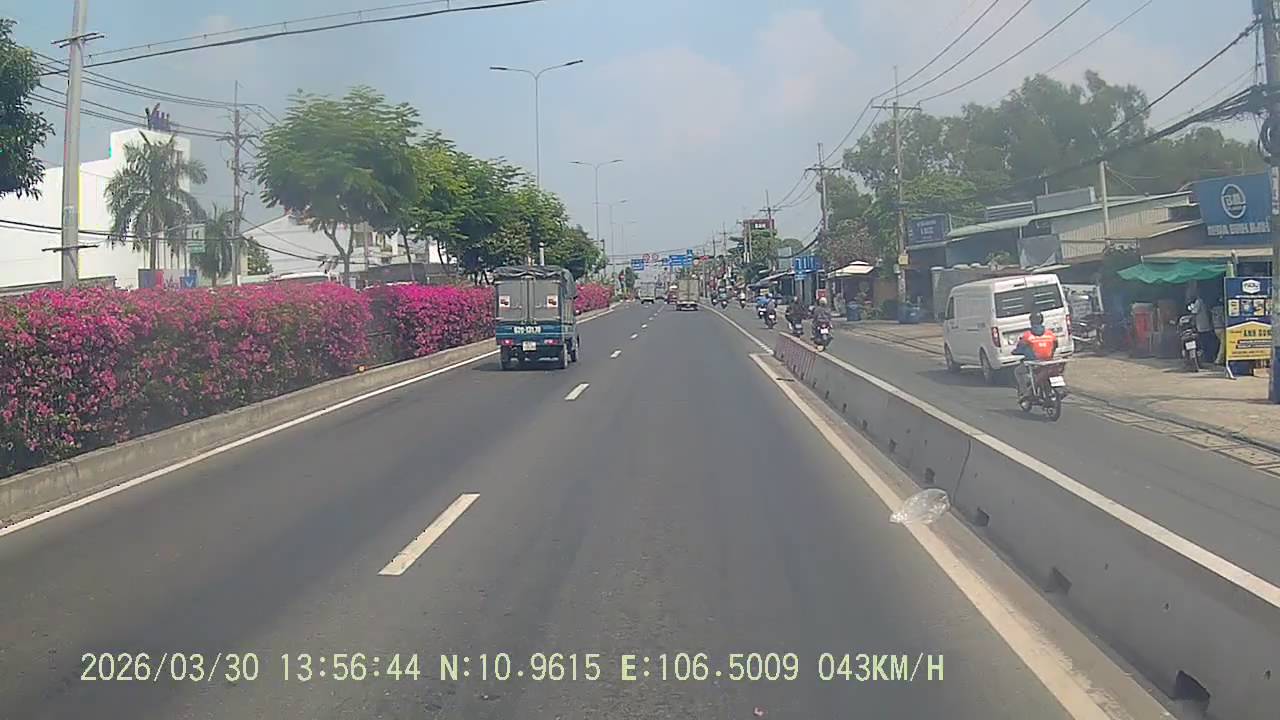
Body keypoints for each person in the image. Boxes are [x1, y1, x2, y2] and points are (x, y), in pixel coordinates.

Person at [1013, 311, 1058, 400]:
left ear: (1031, 321)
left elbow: (1019, 348)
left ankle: (1025, 393)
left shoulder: (1027, 335)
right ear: (1042, 320)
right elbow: (1056, 344)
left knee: (1017, 371)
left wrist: (1015, 352)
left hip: (1034, 363)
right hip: (1048, 361)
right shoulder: (1050, 333)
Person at [1188, 291, 1214, 364]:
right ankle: (1208, 358)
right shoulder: (1202, 301)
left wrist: (1192, 322)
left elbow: (1194, 312)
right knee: (1207, 342)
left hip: (1202, 327)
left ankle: (1207, 358)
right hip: (1205, 326)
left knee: (1205, 343)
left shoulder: (1198, 302)